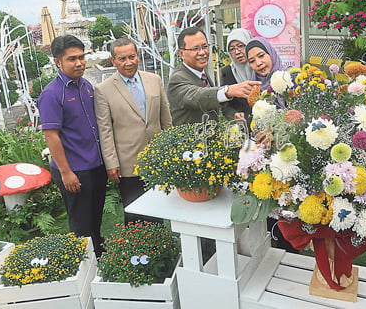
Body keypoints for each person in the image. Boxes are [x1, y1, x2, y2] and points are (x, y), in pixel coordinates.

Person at [37, 35, 107, 257]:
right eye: (72, 59)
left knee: (95, 219)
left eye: (81, 57)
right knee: (81, 226)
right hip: (74, 170)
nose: (79, 63)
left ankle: (99, 258)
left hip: (95, 166)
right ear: (58, 62)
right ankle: (84, 267)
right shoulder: (52, 94)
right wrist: (66, 173)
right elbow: (51, 136)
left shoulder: (85, 86)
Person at [94, 38, 172, 224]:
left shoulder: (154, 80)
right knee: (134, 212)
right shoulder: (103, 90)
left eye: (131, 57)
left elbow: (165, 118)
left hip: (156, 157)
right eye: (122, 59)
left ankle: (161, 248)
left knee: (158, 208)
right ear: (113, 61)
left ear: (138, 56)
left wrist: (170, 148)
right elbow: (105, 130)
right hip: (128, 162)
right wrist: (111, 163)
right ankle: (137, 251)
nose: (128, 62)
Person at [245, 36, 297, 253]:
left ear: (271, 54)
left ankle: (295, 255)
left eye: (261, 56)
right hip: (268, 158)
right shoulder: (255, 90)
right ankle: (278, 253)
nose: (258, 63)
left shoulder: (291, 81)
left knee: (292, 213)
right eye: (252, 61)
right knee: (273, 214)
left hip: (293, 156)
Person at [167, 26, 261, 126]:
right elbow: (197, 96)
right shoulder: (177, 79)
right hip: (192, 140)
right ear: (182, 53)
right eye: (195, 49)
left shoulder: (202, 73)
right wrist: (228, 91)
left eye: (204, 46)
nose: (202, 52)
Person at [221, 28, 253, 121]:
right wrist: (234, 114)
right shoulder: (227, 72)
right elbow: (225, 105)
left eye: (240, 46)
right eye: (232, 49)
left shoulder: (260, 67)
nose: (237, 52)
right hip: (243, 127)